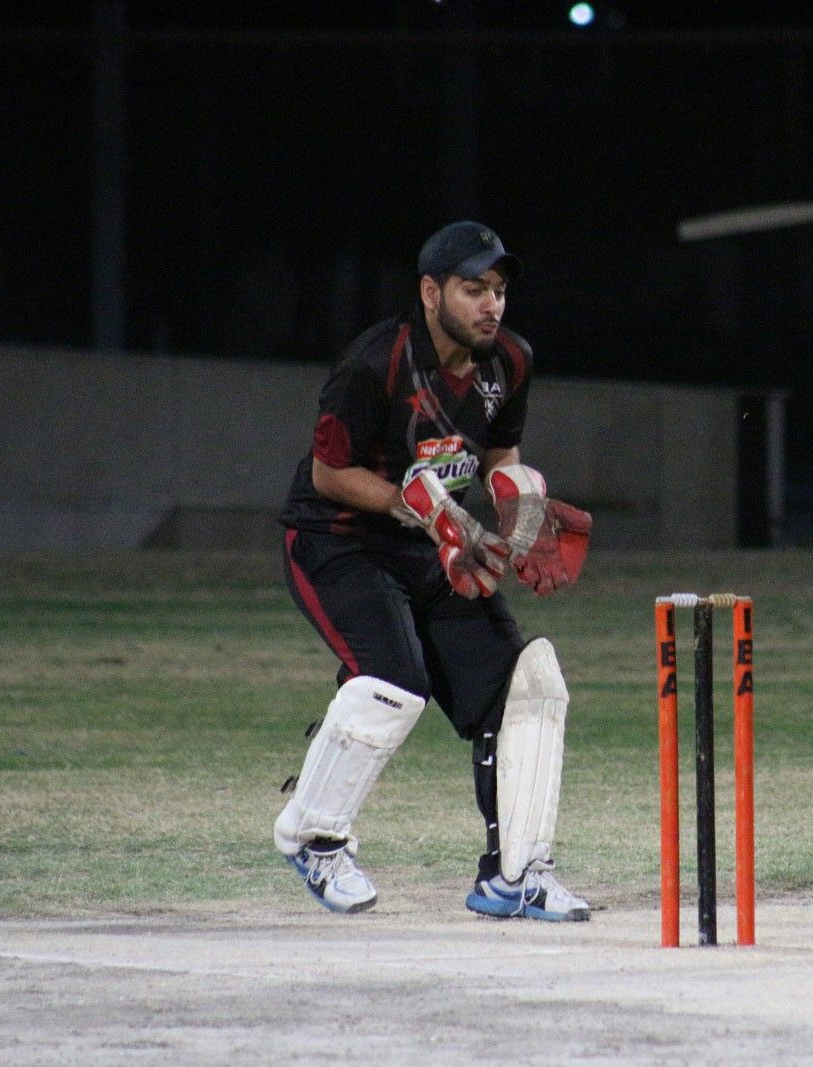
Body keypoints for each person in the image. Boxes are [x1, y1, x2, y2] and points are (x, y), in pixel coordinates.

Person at [274, 220, 594, 921]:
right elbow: (329, 473)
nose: (491, 304)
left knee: (524, 688)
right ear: (430, 292)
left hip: (436, 542)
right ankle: (314, 838)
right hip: (339, 540)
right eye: (473, 289)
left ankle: (516, 875)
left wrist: (519, 507)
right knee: (392, 682)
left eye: (498, 290)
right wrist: (416, 508)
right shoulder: (375, 363)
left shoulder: (510, 361)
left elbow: (499, 454)